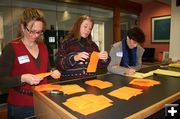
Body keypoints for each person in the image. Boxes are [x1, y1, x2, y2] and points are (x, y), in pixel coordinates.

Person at [0, 8, 61, 119]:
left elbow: (47, 70)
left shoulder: (43, 47)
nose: (36, 35)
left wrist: (52, 72)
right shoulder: (11, 48)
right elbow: (2, 80)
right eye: (32, 31)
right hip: (20, 106)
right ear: (23, 27)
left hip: (43, 100)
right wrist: (23, 78)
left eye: (39, 32)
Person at [55, 15, 110, 80]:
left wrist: (104, 58)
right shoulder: (66, 43)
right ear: (78, 26)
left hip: (91, 82)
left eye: (90, 28)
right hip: (70, 83)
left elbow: (100, 66)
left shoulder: (93, 45)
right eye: (85, 26)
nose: (87, 30)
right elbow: (59, 64)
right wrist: (74, 58)